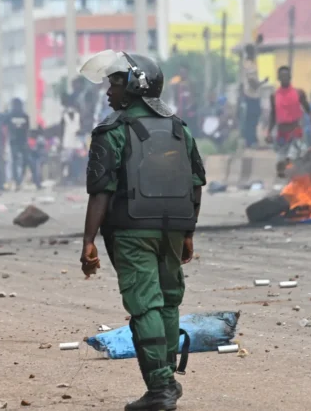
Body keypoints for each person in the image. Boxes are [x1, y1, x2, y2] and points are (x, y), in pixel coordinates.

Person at [78, 50, 206, 410]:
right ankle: (166, 381)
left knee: (146, 305)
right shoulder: (180, 129)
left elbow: (101, 190)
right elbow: (196, 183)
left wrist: (88, 240)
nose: (108, 92)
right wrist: (189, 231)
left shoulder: (112, 131)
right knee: (167, 301)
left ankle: (162, 388)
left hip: (132, 232)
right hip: (173, 230)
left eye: (115, 83)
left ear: (135, 88)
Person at [266, 66, 311, 178]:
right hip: (282, 133)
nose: (284, 78)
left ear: (290, 77)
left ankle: (299, 179)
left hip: (296, 131)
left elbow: (306, 106)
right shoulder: (274, 96)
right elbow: (273, 115)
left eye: (286, 75)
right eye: (282, 76)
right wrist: (268, 132)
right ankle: (286, 179)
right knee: (281, 162)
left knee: (297, 158)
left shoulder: (298, 93)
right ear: (278, 78)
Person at [5, 98, 41, 190]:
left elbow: (27, 130)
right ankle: (17, 182)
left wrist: (26, 141)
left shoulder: (25, 116)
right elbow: (7, 128)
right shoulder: (9, 116)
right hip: (14, 142)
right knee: (15, 162)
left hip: (23, 142)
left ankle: (36, 182)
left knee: (29, 161)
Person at [240, 44, 267, 148]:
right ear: (250, 52)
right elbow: (252, 83)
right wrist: (262, 83)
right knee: (251, 118)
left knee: (254, 118)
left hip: (254, 95)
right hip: (251, 95)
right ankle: (250, 140)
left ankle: (252, 139)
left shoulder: (252, 63)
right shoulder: (248, 64)